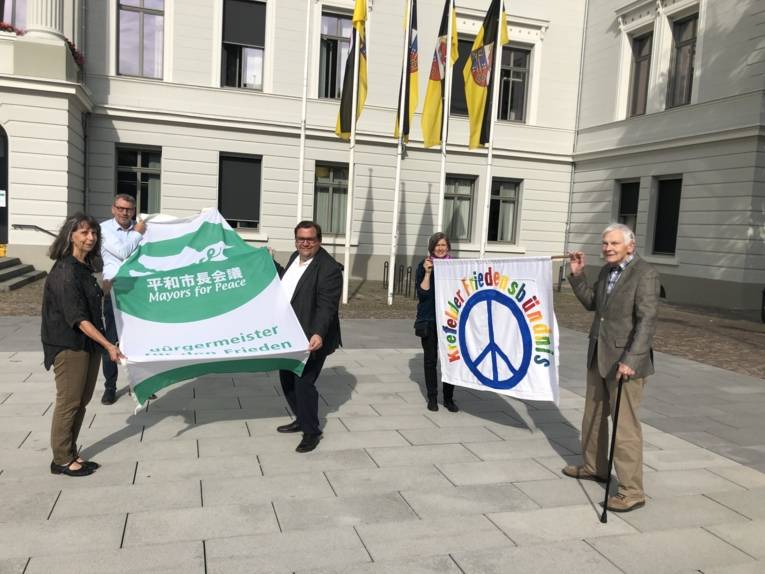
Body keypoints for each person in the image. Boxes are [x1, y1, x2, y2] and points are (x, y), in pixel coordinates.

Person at [563, 222, 659, 512]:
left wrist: (632, 359)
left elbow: (647, 321)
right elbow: (594, 304)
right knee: (592, 416)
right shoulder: (606, 270)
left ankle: (632, 491)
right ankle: (595, 467)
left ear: (630, 245)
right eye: (605, 244)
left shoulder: (646, 274)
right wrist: (578, 276)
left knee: (624, 427)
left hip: (626, 362)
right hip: (599, 354)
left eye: (614, 244)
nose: (607, 248)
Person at [41, 213, 125, 476]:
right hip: (69, 345)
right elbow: (77, 318)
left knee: (82, 399)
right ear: (71, 236)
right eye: (84, 233)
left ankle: (70, 452)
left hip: (87, 345)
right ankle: (62, 460)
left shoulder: (83, 267)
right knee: (70, 401)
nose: (91, 238)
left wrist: (110, 285)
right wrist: (109, 345)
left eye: (94, 233)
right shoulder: (65, 270)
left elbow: (93, 300)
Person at [273, 221, 342, 453]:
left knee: (303, 385)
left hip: (312, 338)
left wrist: (318, 333)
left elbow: (327, 306)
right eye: (301, 238)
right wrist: (268, 263)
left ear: (319, 241)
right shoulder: (295, 258)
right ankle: (302, 419)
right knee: (286, 380)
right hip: (290, 334)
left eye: (310, 239)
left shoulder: (329, 268)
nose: (305, 243)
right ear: (295, 240)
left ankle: (312, 432)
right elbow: (287, 281)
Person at [99, 194, 145, 405]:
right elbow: (122, 251)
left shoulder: (141, 227)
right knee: (111, 341)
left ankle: (139, 385)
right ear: (113, 209)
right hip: (115, 290)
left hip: (138, 292)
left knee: (138, 340)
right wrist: (137, 234)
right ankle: (110, 387)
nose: (125, 212)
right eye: (121, 208)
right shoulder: (103, 229)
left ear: (134, 210)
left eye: (129, 209)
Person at [414, 232, 459, 413]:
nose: (440, 248)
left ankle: (448, 398)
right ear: (432, 248)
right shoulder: (424, 265)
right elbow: (423, 294)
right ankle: (432, 397)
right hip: (430, 320)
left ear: (448, 247)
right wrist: (427, 273)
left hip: (450, 321)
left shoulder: (455, 266)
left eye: (443, 245)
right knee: (430, 360)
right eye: (437, 245)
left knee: (451, 359)